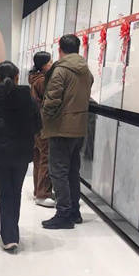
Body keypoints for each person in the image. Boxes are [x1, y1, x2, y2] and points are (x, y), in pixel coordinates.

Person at [0, 61, 41, 253]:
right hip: (21, 154)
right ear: (17, 78)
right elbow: (38, 125)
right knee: (16, 191)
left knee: (4, 193)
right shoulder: (28, 99)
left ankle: (9, 236)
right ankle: (12, 232)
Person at [40, 34, 94, 229]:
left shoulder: (61, 70)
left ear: (60, 49)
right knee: (72, 171)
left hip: (61, 128)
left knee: (58, 172)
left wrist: (45, 117)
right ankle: (74, 212)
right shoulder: (86, 71)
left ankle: (63, 214)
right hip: (79, 127)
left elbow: (52, 100)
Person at [28, 51, 55, 208]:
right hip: (44, 123)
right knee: (45, 156)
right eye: (50, 62)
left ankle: (38, 190)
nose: (52, 64)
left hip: (36, 123)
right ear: (44, 65)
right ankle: (43, 194)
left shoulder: (34, 78)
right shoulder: (43, 81)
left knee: (38, 156)